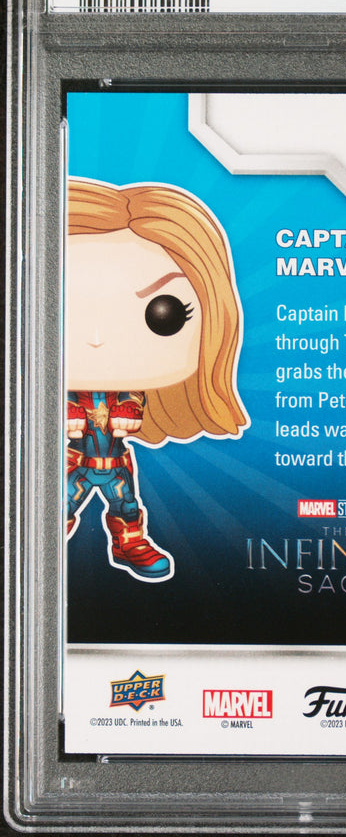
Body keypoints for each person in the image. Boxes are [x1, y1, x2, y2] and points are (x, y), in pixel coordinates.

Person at [66, 179, 248, 582]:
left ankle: (129, 543)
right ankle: (36, 549)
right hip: (74, 461)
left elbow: (133, 402)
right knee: (58, 507)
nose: (96, 339)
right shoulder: (63, 391)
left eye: (164, 313)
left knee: (127, 506)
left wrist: (130, 412)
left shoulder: (127, 389)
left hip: (115, 460)